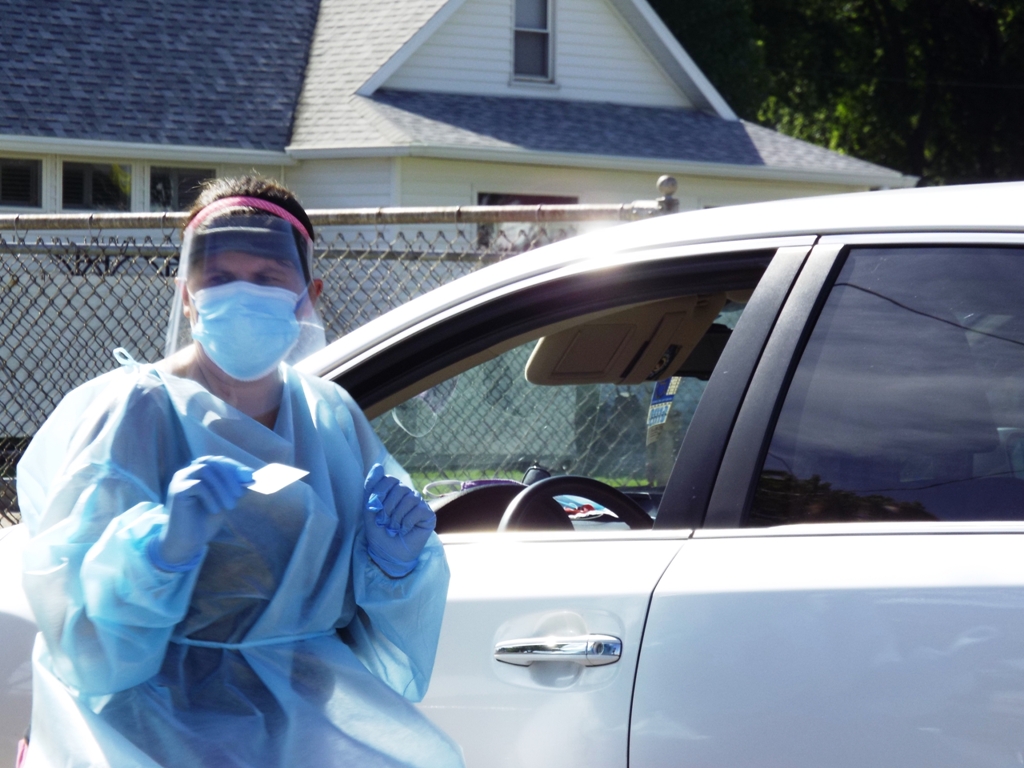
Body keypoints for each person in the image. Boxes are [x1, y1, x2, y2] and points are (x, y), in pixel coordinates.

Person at [16, 177, 464, 768]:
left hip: (306, 732)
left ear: (309, 295)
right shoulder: (137, 411)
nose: (243, 295)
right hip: (158, 741)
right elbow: (84, 646)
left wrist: (394, 568)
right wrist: (157, 555)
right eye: (219, 277)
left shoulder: (329, 415)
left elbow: (378, 645)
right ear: (186, 294)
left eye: (268, 278)